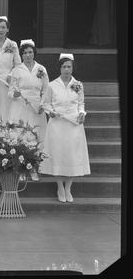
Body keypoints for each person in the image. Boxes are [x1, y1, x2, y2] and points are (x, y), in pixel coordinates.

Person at [39, 53, 90, 203]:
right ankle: (60, 187)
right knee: (59, 154)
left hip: (74, 125)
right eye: (64, 67)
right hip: (57, 124)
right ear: (59, 68)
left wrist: (82, 113)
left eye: (69, 66)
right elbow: (45, 104)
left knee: (72, 155)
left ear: (73, 68)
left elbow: (81, 103)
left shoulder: (78, 85)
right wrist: (51, 112)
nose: (67, 69)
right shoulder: (52, 85)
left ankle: (68, 187)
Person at [8, 39, 49, 142]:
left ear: (34, 53)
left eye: (30, 52)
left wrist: (42, 104)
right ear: (21, 55)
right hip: (20, 105)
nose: (28, 55)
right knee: (20, 133)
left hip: (36, 106)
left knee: (37, 133)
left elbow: (46, 89)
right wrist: (14, 94)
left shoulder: (41, 69)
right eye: (25, 53)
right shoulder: (17, 70)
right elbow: (10, 91)